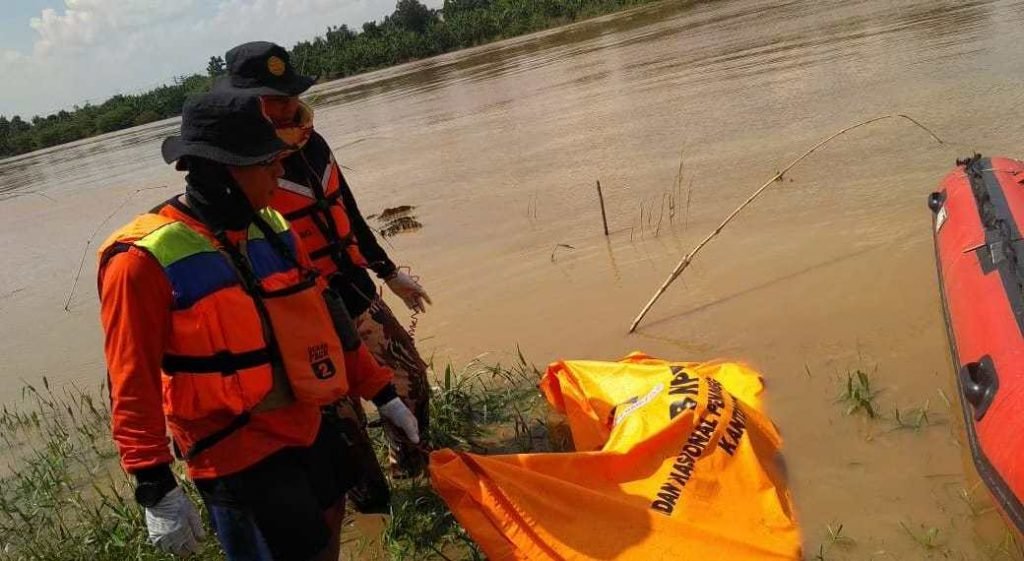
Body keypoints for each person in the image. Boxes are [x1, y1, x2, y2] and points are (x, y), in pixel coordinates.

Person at [96, 90, 420, 560]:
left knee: (330, 522)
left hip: (306, 424)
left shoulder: (273, 227)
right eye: (266, 161)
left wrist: (383, 393)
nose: (280, 171)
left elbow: (324, 318)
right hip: (235, 453)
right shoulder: (140, 260)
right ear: (225, 171)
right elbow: (130, 380)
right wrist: (154, 484)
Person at [214, 41, 432, 479]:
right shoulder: (237, 167)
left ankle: (411, 473)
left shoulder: (314, 142)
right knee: (340, 418)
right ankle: (373, 506)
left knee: (409, 380)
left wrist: (389, 273)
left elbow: (346, 209)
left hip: (351, 287)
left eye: (290, 94)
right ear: (247, 104)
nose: (288, 106)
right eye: (275, 100)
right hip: (297, 311)